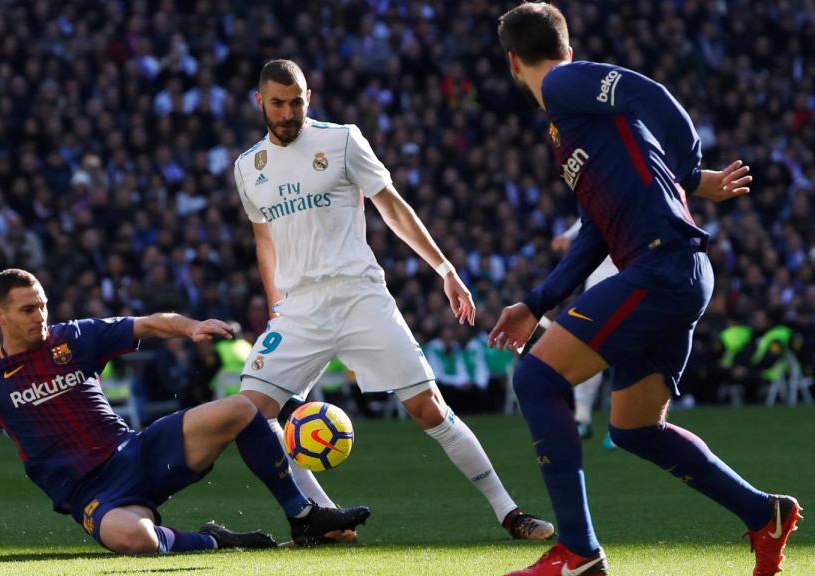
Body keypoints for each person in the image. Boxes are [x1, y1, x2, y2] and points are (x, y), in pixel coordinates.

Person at [490, 4, 801, 576]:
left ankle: (577, 554)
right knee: (635, 429)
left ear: (513, 61)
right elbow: (593, 235)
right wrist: (533, 303)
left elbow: (648, 91)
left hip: (659, 268)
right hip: (673, 272)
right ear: (566, 39)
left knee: (536, 377)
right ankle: (763, 514)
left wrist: (689, 167)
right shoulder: (574, 121)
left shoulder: (564, 81)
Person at [232, 59, 553, 541]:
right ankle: (322, 518)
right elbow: (265, 242)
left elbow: (392, 206)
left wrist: (445, 269)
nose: (287, 111)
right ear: (260, 102)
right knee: (250, 416)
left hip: (359, 296)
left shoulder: (341, 141)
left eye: (296, 101)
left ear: (309, 98)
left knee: (429, 410)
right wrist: (275, 303)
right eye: (277, 102)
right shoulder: (247, 168)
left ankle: (510, 513)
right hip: (299, 308)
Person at [0, 269, 369, 557]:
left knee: (242, 409)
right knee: (136, 541)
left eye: (43, 305)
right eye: (28, 310)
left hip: (139, 450)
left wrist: (190, 328)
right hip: (92, 491)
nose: (40, 317)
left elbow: (147, 323)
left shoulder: (73, 337)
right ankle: (214, 540)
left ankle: (303, 517)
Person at [551, 219, 618, 443]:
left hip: (630, 280)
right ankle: (582, 418)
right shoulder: (602, 193)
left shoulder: (640, 194)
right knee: (587, 353)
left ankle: (623, 425)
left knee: (626, 356)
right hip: (598, 285)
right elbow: (589, 214)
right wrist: (568, 236)